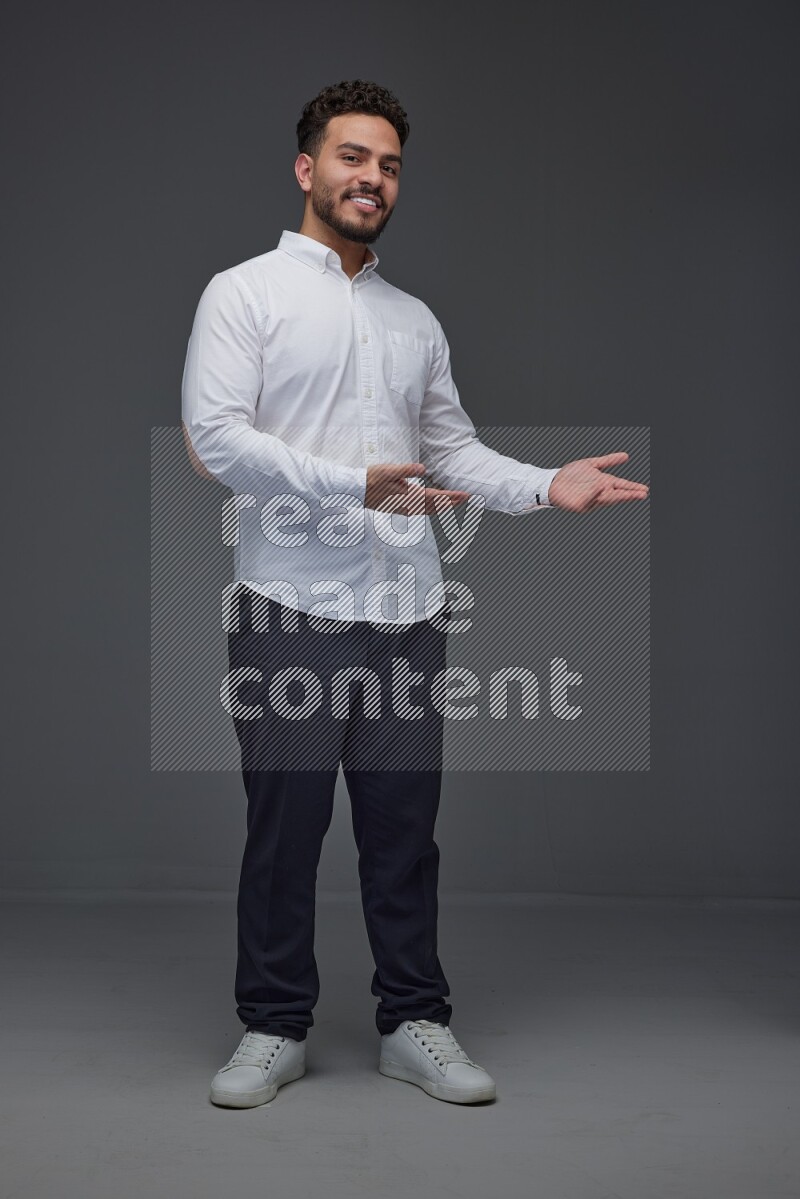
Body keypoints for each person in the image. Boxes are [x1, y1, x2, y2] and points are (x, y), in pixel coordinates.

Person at [181, 79, 649, 1109]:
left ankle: (413, 1017)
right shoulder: (244, 293)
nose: (372, 178)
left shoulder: (411, 319)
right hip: (287, 607)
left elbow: (449, 451)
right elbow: (216, 441)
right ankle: (271, 1023)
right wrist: (353, 485)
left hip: (405, 612)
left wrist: (542, 488)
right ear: (308, 169)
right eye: (352, 157)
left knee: (403, 829)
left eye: (388, 164)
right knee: (284, 826)